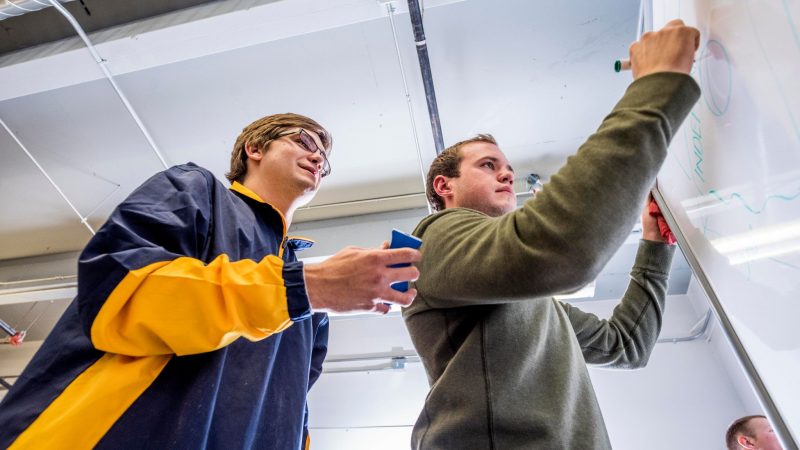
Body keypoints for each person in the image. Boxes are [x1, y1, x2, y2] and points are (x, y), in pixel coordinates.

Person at [0, 113, 421, 449]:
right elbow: (121, 296)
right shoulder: (196, 191)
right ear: (254, 148)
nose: (318, 159)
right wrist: (303, 286)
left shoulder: (309, 309)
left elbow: (293, 414)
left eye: (324, 160)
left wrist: (307, 290)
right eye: (304, 142)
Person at [402, 19, 701, 449]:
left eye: (507, 168)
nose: (506, 173)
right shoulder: (434, 239)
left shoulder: (530, 297)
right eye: (488, 165)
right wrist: (655, 87)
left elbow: (626, 345)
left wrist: (654, 247)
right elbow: (558, 249)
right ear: (443, 186)